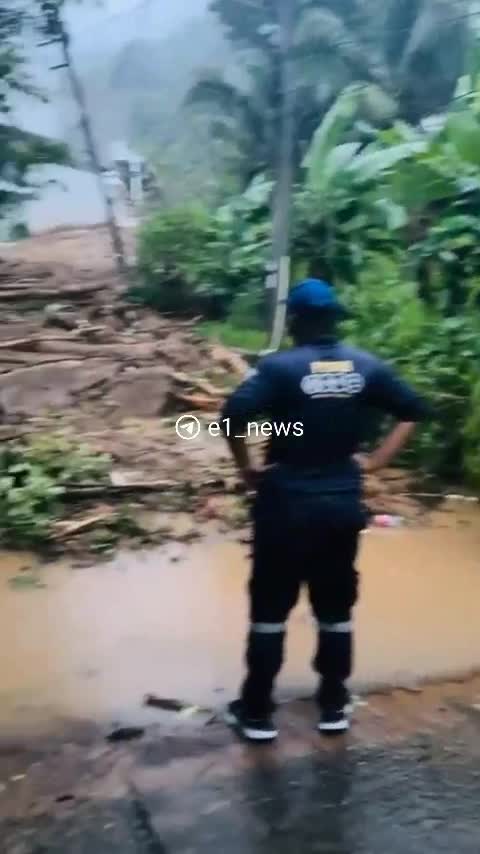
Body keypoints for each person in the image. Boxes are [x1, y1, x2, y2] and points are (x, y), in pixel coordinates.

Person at [221, 278, 428, 742]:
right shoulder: (366, 366)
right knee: (335, 610)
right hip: (340, 506)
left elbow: (230, 418)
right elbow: (412, 411)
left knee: (270, 612)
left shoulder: (276, 369)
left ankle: (256, 714)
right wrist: (373, 462)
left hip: (284, 506)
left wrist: (247, 470)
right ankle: (333, 706)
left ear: (294, 322)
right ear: (335, 321)